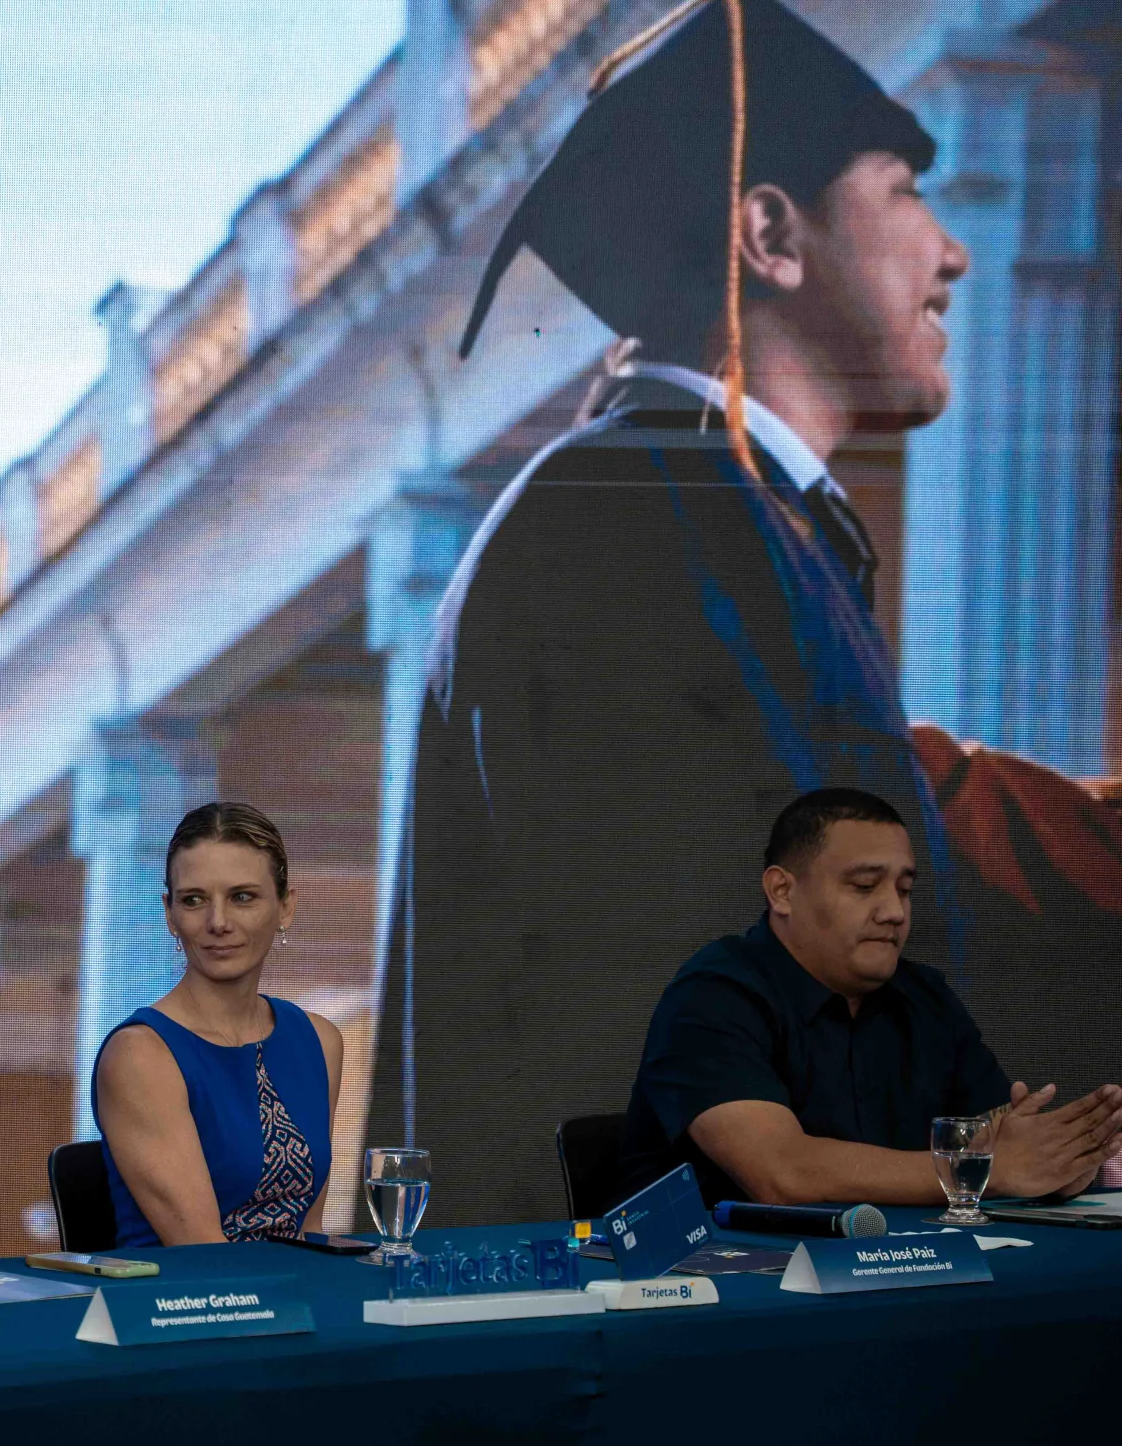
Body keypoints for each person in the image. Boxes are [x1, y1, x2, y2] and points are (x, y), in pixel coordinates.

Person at [373, 0, 1122, 1223]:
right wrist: (991, 1155)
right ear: (770, 234)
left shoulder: (722, 512)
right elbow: (714, 979)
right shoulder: (633, 518)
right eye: (903, 193)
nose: (952, 253)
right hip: (656, 1299)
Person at [620, 788, 1121, 1208]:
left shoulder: (926, 997)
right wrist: (985, 1171)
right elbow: (782, 1173)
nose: (894, 912)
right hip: (721, 1281)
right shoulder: (714, 995)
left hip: (903, 1265)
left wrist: (1061, 1165)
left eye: (904, 890)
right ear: (782, 891)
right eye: (864, 886)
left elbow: (996, 1140)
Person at [92, 802, 345, 1246]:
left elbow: (309, 1232)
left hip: (295, 1286)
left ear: (285, 907)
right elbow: (203, 1251)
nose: (218, 922)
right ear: (170, 914)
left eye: (242, 897)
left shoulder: (319, 1041)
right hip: (189, 1288)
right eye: (194, 900)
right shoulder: (139, 1056)